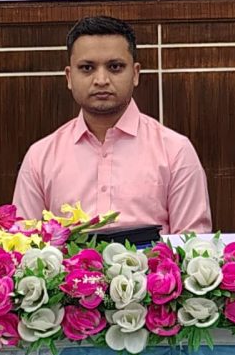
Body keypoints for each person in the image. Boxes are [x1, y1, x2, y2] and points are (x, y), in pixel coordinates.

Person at [12, 16, 211, 233]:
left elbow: (193, 245)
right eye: (87, 68)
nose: (101, 80)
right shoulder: (40, 158)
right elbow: (24, 243)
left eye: (115, 67)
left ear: (135, 74)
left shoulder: (175, 152)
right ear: (69, 77)